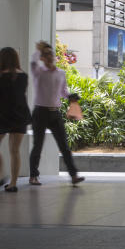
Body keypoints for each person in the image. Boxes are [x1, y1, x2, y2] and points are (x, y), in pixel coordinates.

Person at [28, 41, 83, 186]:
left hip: (55, 113)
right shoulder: (38, 71)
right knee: (37, 146)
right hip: (40, 112)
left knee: (64, 146)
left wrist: (70, 96)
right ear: (42, 58)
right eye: (46, 54)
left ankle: (73, 175)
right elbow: (32, 61)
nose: (49, 56)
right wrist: (39, 50)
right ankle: (33, 176)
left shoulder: (61, 73)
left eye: (51, 53)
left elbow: (63, 91)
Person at [0, 47, 32, 192]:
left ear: (1, 60)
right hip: (20, 117)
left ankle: (0, 176)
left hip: (2, 118)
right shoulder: (24, 76)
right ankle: (13, 183)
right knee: (15, 151)